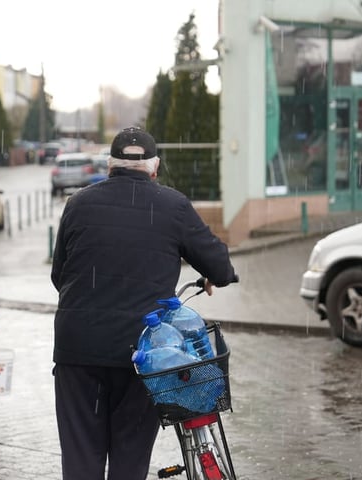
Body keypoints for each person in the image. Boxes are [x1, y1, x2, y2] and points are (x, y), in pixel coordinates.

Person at [50, 126, 237, 479]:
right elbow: (221, 268)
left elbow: (59, 277)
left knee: (80, 460)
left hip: (78, 351)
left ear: (110, 167)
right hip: (144, 354)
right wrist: (215, 274)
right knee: (130, 458)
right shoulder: (173, 206)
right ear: (155, 167)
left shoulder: (78, 204)